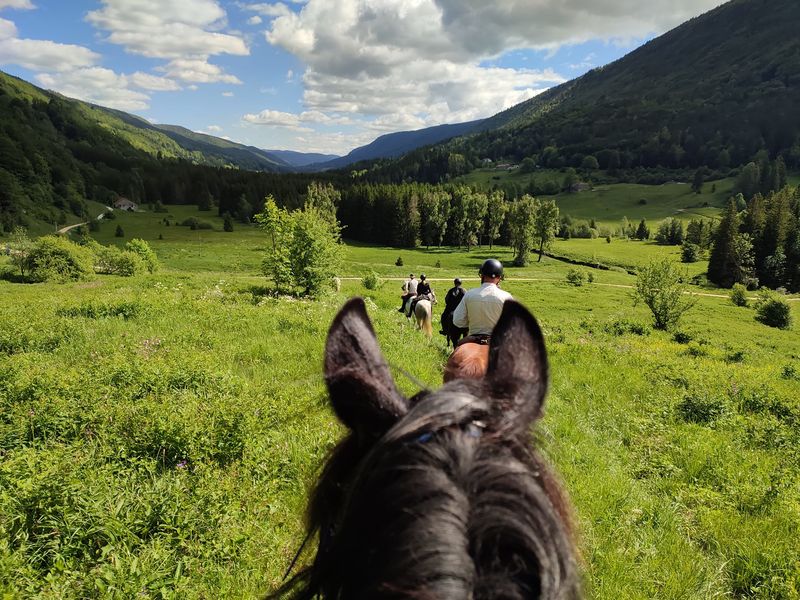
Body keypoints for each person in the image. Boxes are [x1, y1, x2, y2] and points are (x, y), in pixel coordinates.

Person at [452, 258, 512, 342]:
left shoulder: (469, 294)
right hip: (498, 340)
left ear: (482, 275)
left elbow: (457, 321)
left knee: (456, 351)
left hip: (473, 338)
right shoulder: (507, 297)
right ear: (499, 278)